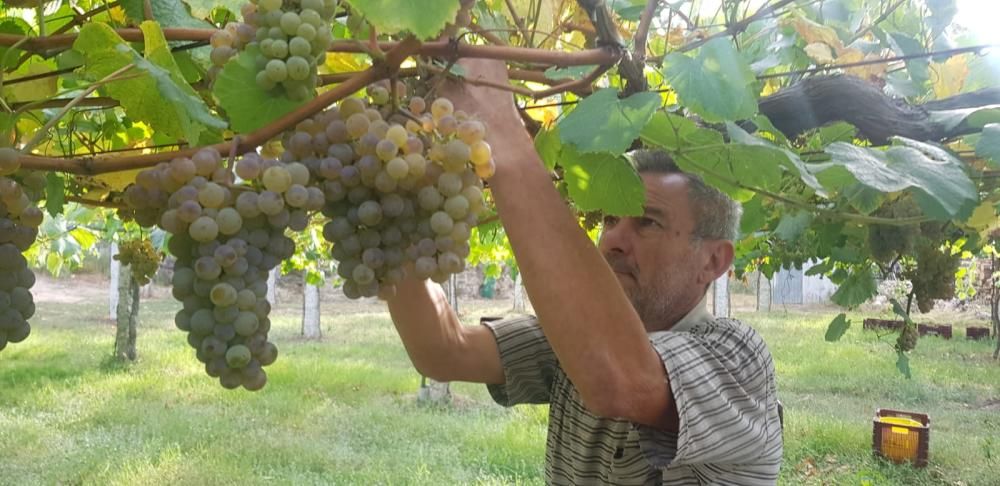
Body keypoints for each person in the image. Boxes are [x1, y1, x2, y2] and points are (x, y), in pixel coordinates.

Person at [385, 59, 783, 485]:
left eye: (647, 222)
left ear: (713, 261)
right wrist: (395, 207)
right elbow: (444, 350)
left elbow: (621, 379)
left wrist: (500, 129)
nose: (612, 240)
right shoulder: (572, 341)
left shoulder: (739, 359)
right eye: (609, 220)